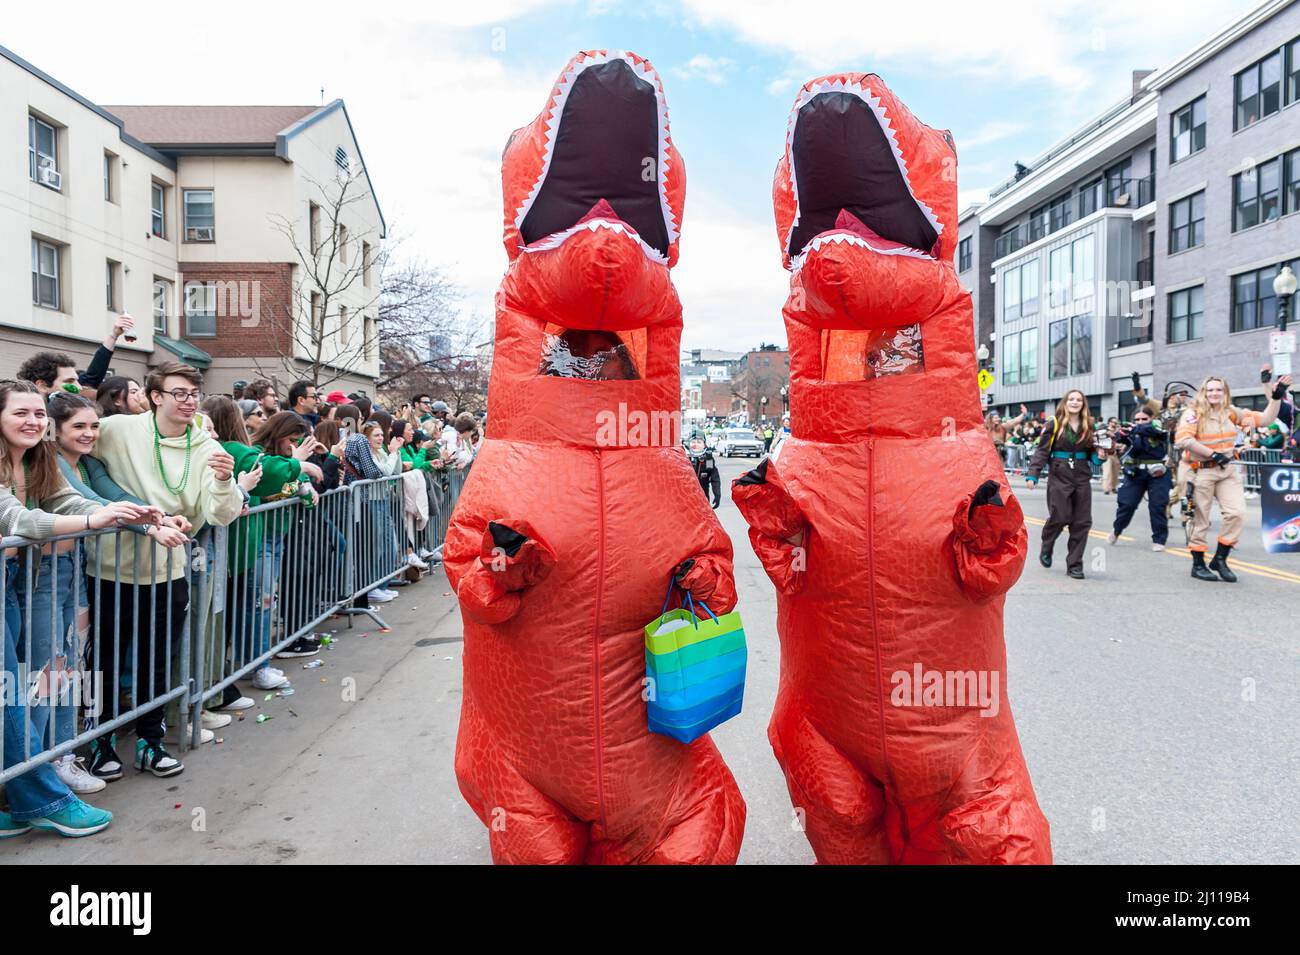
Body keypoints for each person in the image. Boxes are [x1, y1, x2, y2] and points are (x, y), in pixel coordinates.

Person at [1, 379, 154, 837]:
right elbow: (19, 520)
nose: (32, 421)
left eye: (37, 413)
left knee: (16, 691)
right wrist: (93, 520)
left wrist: (132, 514)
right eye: (19, 413)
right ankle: (44, 799)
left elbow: (67, 499)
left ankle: (20, 800)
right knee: (9, 697)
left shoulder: (36, 458)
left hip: (8, 580)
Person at [86, 362, 244, 778]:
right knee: (102, 661)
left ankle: (150, 742)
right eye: (179, 393)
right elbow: (80, 458)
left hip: (168, 570)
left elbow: (221, 515)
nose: (189, 400)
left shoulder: (208, 448)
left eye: (194, 393)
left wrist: (227, 483)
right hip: (108, 569)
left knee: (156, 661)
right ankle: (100, 743)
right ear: (156, 397)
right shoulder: (120, 429)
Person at [1175, 373, 1290, 582]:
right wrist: (1212, 454)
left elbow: (1265, 419)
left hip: (1226, 471)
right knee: (1200, 519)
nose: (1214, 393)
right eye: (1210, 389)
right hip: (1201, 470)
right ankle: (1198, 564)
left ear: (1225, 392)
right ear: (1204, 392)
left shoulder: (1231, 412)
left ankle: (1220, 558)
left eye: (1218, 389)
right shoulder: (1193, 413)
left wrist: (1276, 398)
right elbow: (1184, 439)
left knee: (1237, 513)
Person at [1026, 389, 1110, 579]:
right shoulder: (1053, 424)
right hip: (1059, 474)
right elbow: (1042, 451)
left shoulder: (1089, 425)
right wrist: (1033, 474)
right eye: (1071, 399)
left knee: (1082, 522)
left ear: (1083, 404)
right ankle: (1047, 544)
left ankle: (1074, 565)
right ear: (1065, 402)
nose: (1075, 402)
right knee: (1060, 516)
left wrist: (1100, 456)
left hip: (1081, 475)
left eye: (1078, 399)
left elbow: (1093, 454)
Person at [344, 421, 404, 603]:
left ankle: (381, 585)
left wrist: (396, 453)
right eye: (375, 436)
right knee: (376, 546)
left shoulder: (382, 452)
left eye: (381, 435)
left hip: (383, 500)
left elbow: (395, 471)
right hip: (371, 501)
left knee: (390, 546)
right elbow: (382, 472)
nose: (380, 438)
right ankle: (373, 586)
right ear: (367, 439)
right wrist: (393, 453)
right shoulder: (367, 454)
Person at [1108, 405, 1172, 551]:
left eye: (1145, 419)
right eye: (1137, 419)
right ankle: (1117, 530)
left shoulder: (1158, 429)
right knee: (1127, 504)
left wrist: (1135, 429)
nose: (1141, 422)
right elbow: (1121, 439)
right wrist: (1120, 435)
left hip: (1158, 473)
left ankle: (1159, 539)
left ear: (1152, 419)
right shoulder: (1132, 432)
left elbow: (1155, 432)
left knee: (1158, 506)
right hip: (1135, 472)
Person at [687, 435, 720, 507]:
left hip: (703, 499)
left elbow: (715, 478)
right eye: (693, 442)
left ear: (704, 445)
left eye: (699, 442)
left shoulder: (708, 459)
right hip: (685, 499)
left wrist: (717, 495)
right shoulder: (682, 457)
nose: (695, 445)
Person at [1100, 417, 1121, 494]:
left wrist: (1121, 445)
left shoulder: (1118, 432)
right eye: (1113, 422)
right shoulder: (1104, 431)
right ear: (1109, 422)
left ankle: (1113, 487)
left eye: (1116, 423)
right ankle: (1106, 489)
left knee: (1115, 472)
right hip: (1106, 454)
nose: (1114, 424)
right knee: (1107, 472)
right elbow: (1101, 441)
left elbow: (1121, 442)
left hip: (1114, 454)